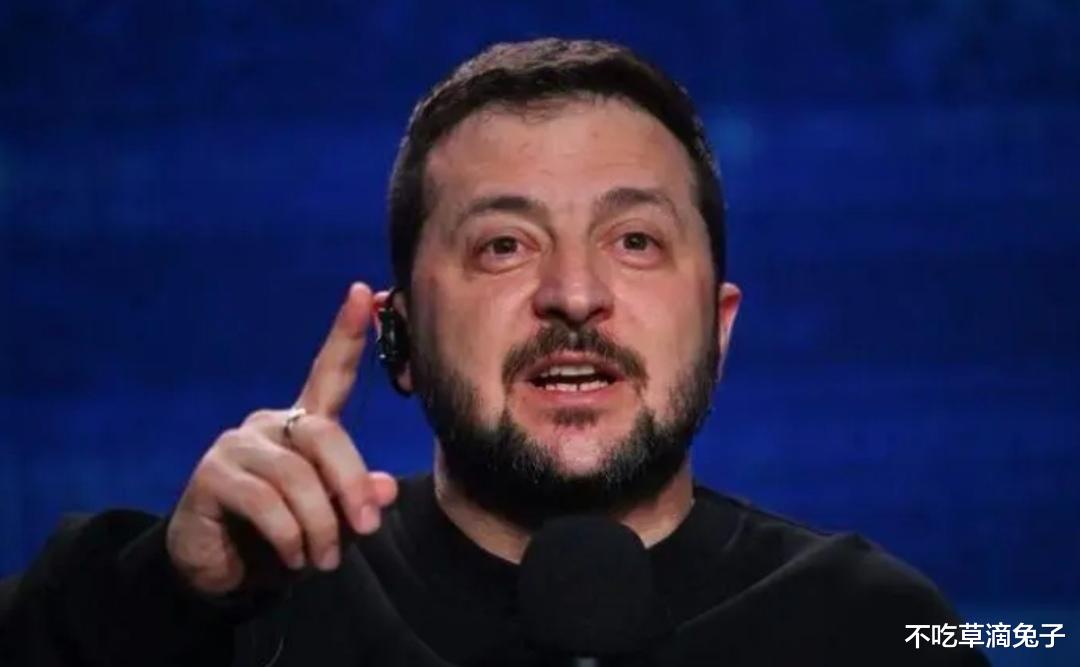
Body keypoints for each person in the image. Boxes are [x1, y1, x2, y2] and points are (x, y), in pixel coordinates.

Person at [0, 38, 987, 666]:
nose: (575, 293)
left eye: (635, 240)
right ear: (399, 338)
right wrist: (160, 597)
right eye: (503, 245)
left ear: (720, 329)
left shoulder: (879, 628)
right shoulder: (248, 605)